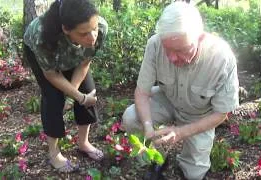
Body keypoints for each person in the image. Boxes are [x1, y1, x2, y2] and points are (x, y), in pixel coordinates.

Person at [122, 2, 239, 180]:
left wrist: (181, 132)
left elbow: (221, 113)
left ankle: (186, 163)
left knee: (194, 175)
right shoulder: (155, 44)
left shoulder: (222, 58)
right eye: (167, 49)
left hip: (200, 113)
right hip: (167, 99)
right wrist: (147, 127)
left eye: (181, 50)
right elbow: (142, 92)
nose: (171, 58)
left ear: (200, 38)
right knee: (131, 118)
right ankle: (158, 158)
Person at [23, 0, 107, 173]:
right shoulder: (42, 36)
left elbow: (84, 64)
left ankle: (84, 143)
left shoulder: (101, 29)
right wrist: (77, 97)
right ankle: (54, 154)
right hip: (44, 54)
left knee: (86, 88)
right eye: (84, 33)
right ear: (66, 29)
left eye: (94, 29)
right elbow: (52, 74)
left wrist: (76, 95)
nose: (92, 37)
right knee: (53, 98)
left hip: (72, 53)